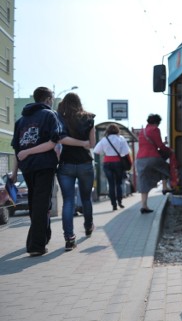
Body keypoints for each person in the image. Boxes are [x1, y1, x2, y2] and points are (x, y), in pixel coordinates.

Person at [11, 87, 89, 256]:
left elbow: (17, 151)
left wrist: (13, 173)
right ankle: (36, 246)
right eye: (52, 99)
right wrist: (30, 152)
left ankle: (43, 237)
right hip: (44, 165)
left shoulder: (21, 120)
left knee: (36, 204)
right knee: (40, 204)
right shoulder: (49, 115)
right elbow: (53, 143)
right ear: (47, 100)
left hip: (26, 168)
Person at [56, 93, 96, 251]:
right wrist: (83, 143)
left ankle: (69, 239)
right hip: (85, 164)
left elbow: (61, 139)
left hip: (66, 165)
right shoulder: (89, 118)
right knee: (86, 199)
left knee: (68, 201)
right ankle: (88, 226)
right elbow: (91, 144)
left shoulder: (60, 118)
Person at [136, 114, 172, 214]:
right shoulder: (155, 129)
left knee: (144, 181)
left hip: (139, 159)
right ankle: (165, 187)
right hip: (151, 157)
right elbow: (160, 145)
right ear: (157, 122)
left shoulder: (142, 131)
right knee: (165, 167)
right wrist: (169, 150)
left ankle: (144, 206)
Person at [93, 123, 129, 211]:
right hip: (117, 163)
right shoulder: (121, 139)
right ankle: (120, 202)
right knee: (118, 183)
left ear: (107, 131)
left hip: (107, 163)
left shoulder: (104, 140)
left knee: (111, 184)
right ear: (117, 130)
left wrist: (106, 151)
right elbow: (126, 151)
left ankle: (113, 205)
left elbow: (96, 150)